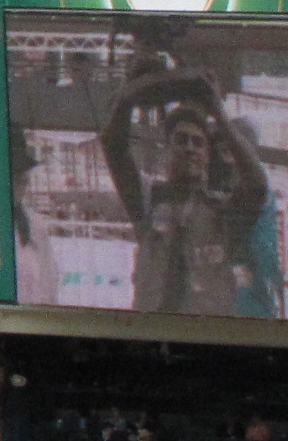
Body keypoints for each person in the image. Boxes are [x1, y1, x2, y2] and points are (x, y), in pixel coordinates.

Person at [99, 52, 275, 317]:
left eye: (198, 142)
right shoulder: (148, 202)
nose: (190, 148)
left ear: (208, 156)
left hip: (206, 332)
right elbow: (113, 147)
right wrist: (128, 94)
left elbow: (258, 186)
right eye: (181, 140)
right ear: (167, 150)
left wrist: (219, 115)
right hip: (153, 329)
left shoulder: (222, 212)